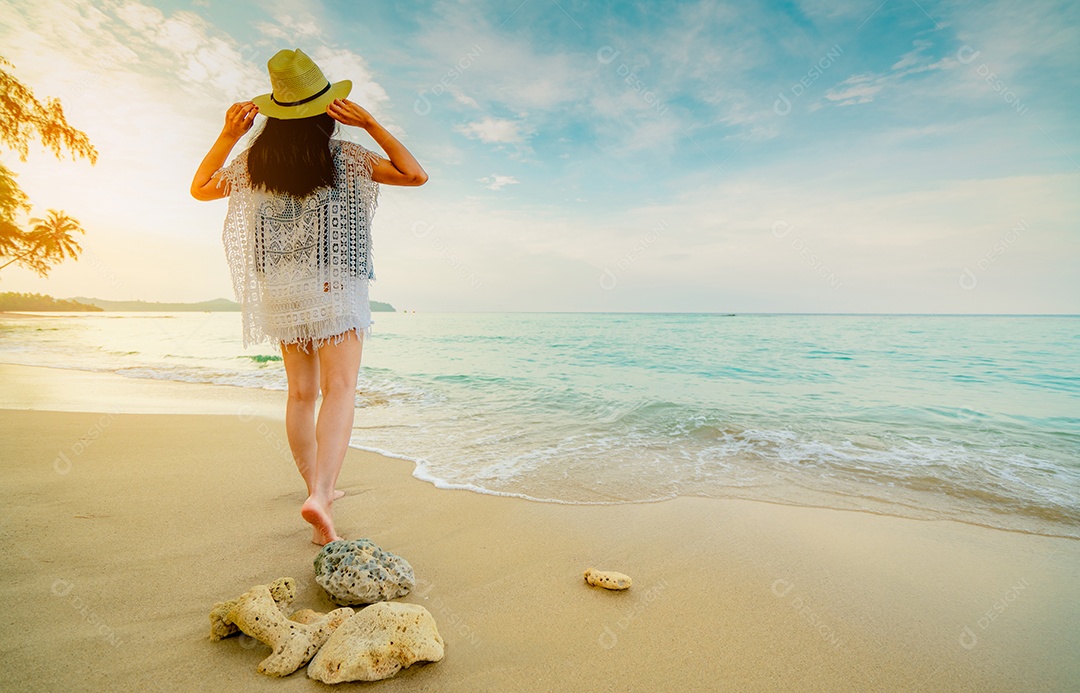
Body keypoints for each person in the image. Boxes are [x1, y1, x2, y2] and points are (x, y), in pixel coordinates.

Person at [190, 48, 428, 545]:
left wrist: (229, 134)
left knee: (301, 393)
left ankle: (313, 488)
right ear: (327, 109)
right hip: (334, 285)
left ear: (274, 113)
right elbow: (414, 175)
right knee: (340, 388)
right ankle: (322, 492)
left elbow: (201, 188)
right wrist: (372, 126)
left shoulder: (255, 162)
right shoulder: (345, 155)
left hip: (280, 289)